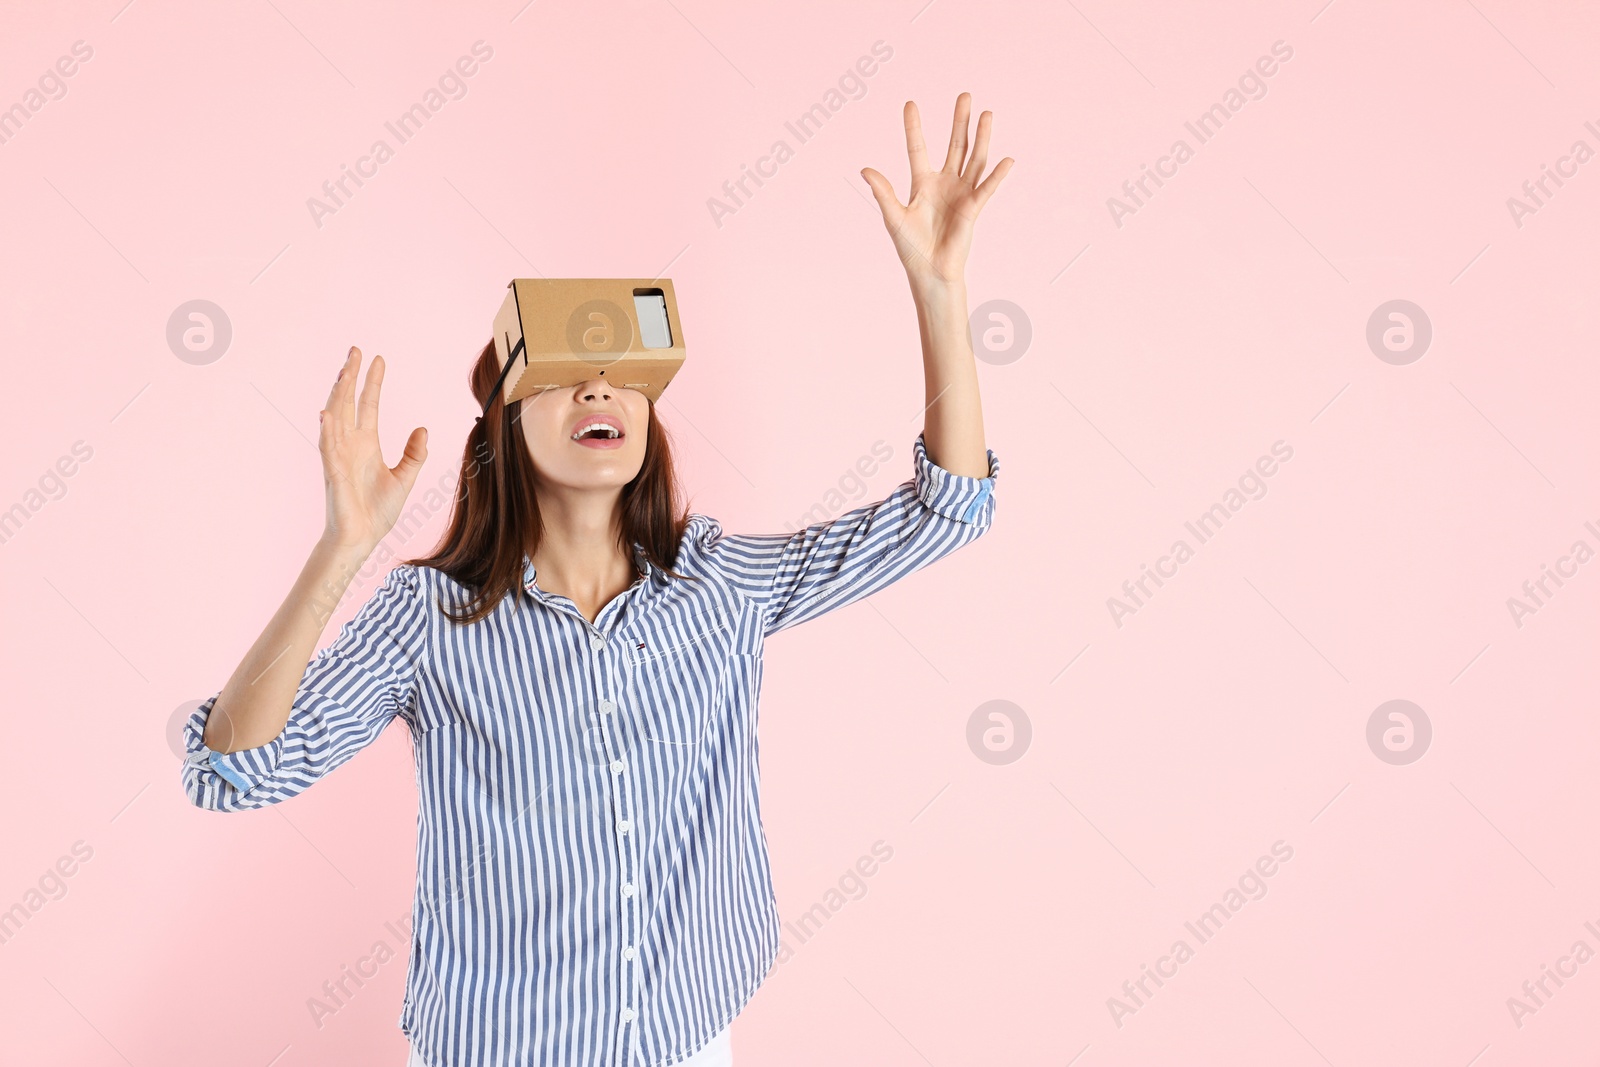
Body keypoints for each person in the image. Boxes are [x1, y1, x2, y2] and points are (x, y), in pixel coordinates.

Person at [181, 93, 1011, 1067]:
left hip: (687, 1031)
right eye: (563, 373)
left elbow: (943, 513)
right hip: (497, 1046)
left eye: (621, 374)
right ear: (502, 424)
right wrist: (338, 554)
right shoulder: (427, 616)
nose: (596, 387)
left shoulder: (720, 585)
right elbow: (233, 769)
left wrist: (941, 293)